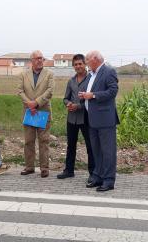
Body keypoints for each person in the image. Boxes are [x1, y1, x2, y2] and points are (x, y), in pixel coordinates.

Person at [78, 51, 120, 192]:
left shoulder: (108, 71)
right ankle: (98, 176)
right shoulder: (91, 74)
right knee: (96, 150)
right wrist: (84, 96)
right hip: (93, 119)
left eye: (87, 60)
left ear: (95, 59)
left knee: (107, 151)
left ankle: (108, 180)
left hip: (105, 119)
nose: (86, 63)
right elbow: (90, 92)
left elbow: (113, 91)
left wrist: (93, 95)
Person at [57, 54, 94, 180]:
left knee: (90, 146)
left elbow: (92, 100)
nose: (78, 66)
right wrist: (68, 104)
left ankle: (93, 173)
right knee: (71, 145)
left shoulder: (91, 79)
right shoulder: (71, 81)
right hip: (71, 118)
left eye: (80, 64)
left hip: (86, 118)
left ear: (85, 64)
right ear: (73, 66)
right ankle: (69, 170)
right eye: (76, 64)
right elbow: (65, 98)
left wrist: (78, 106)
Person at [17, 50, 54, 178]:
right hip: (29, 112)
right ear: (31, 60)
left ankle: (44, 168)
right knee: (28, 141)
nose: (40, 60)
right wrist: (29, 104)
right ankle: (29, 167)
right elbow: (20, 91)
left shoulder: (49, 74)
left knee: (44, 141)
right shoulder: (23, 74)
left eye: (42, 58)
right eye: (37, 58)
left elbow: (50, 91)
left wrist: (36, 103)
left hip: (43, 111)